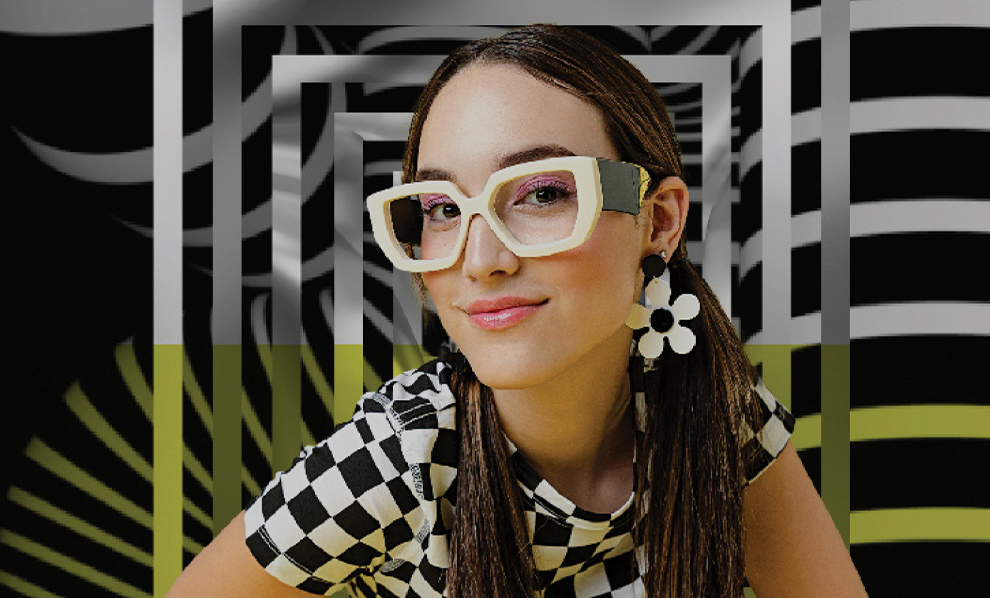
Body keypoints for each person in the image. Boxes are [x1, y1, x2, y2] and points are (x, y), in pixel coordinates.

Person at [169, 24, 866, 597]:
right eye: (443, 209)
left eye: (540, 193)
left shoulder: (716, 411)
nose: (481, 260)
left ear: (657, 221)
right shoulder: (396, 459)